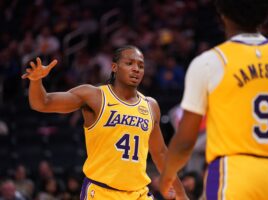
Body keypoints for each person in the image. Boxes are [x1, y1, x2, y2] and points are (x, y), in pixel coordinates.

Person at [159, 0, 268, 199]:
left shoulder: (210, 62)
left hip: (232, 171)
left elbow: (185, 141)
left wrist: (167, 175)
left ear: (221, 13)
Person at [22, 45, 188, 200]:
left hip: (139, 193)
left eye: (141, 65)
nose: (136, 69)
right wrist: (36, 81)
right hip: (101, 192)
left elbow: (160, 153)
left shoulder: (151, 105)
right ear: (114, 67)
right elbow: (42, 103)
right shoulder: (94, 96)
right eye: (129, 63)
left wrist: (182, 196)